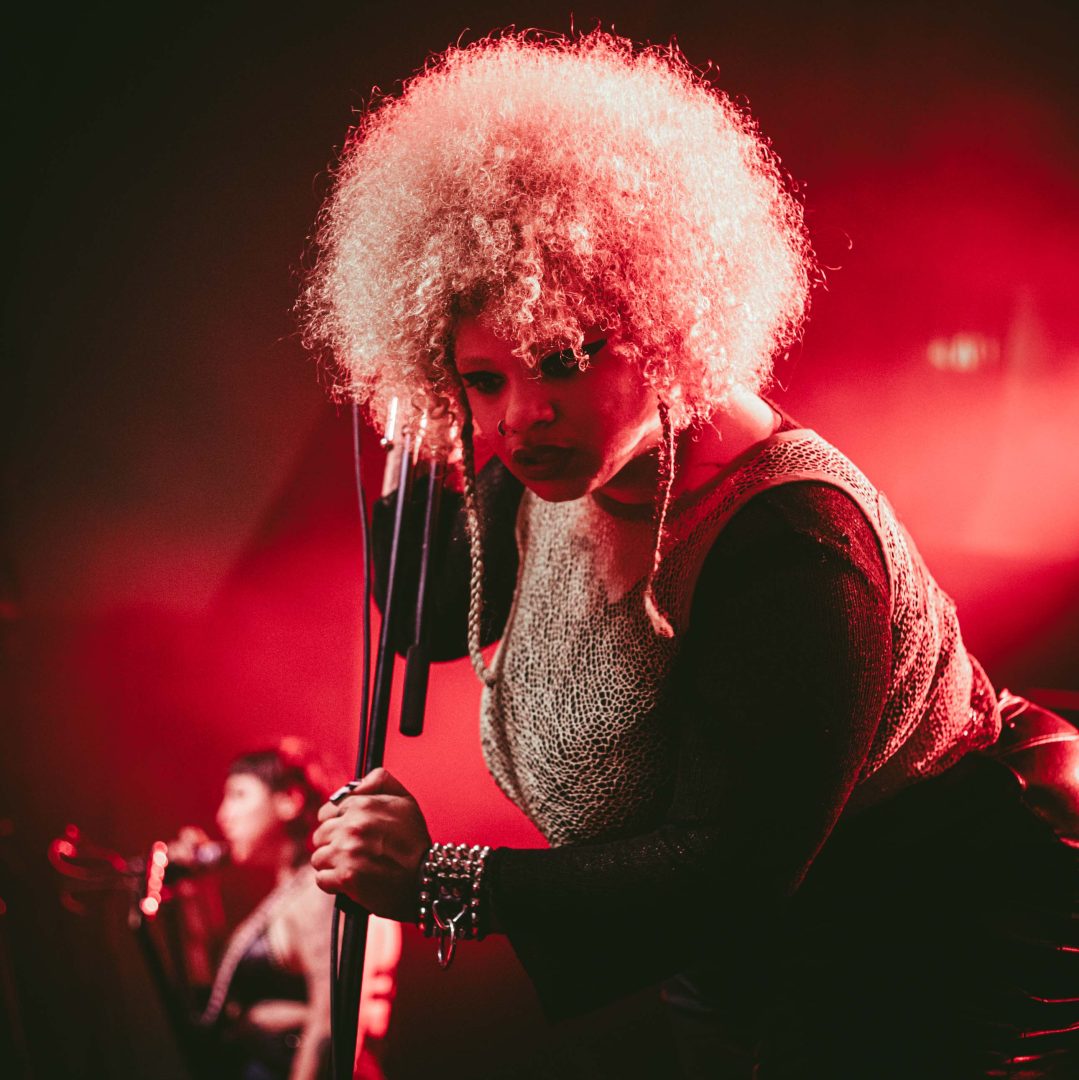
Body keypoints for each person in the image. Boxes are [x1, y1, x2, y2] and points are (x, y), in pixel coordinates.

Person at [302, 30, 1079, 1078]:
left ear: (664, 321)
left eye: (561, 360)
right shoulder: (547, 466)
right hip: (738, 943)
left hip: (928, 937)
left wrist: (439, 881)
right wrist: (422, 443)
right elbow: (421, 618)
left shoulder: (795, 543)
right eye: (482, 380)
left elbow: (725, 867)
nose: (520, 416)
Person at [170, 741, 400, 1080]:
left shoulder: (323, 892)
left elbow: (332, 1023)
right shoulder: (291, 893)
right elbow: (216, 991)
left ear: (289, 800)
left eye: (238, 795)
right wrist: (195, 892)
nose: (223, 815)